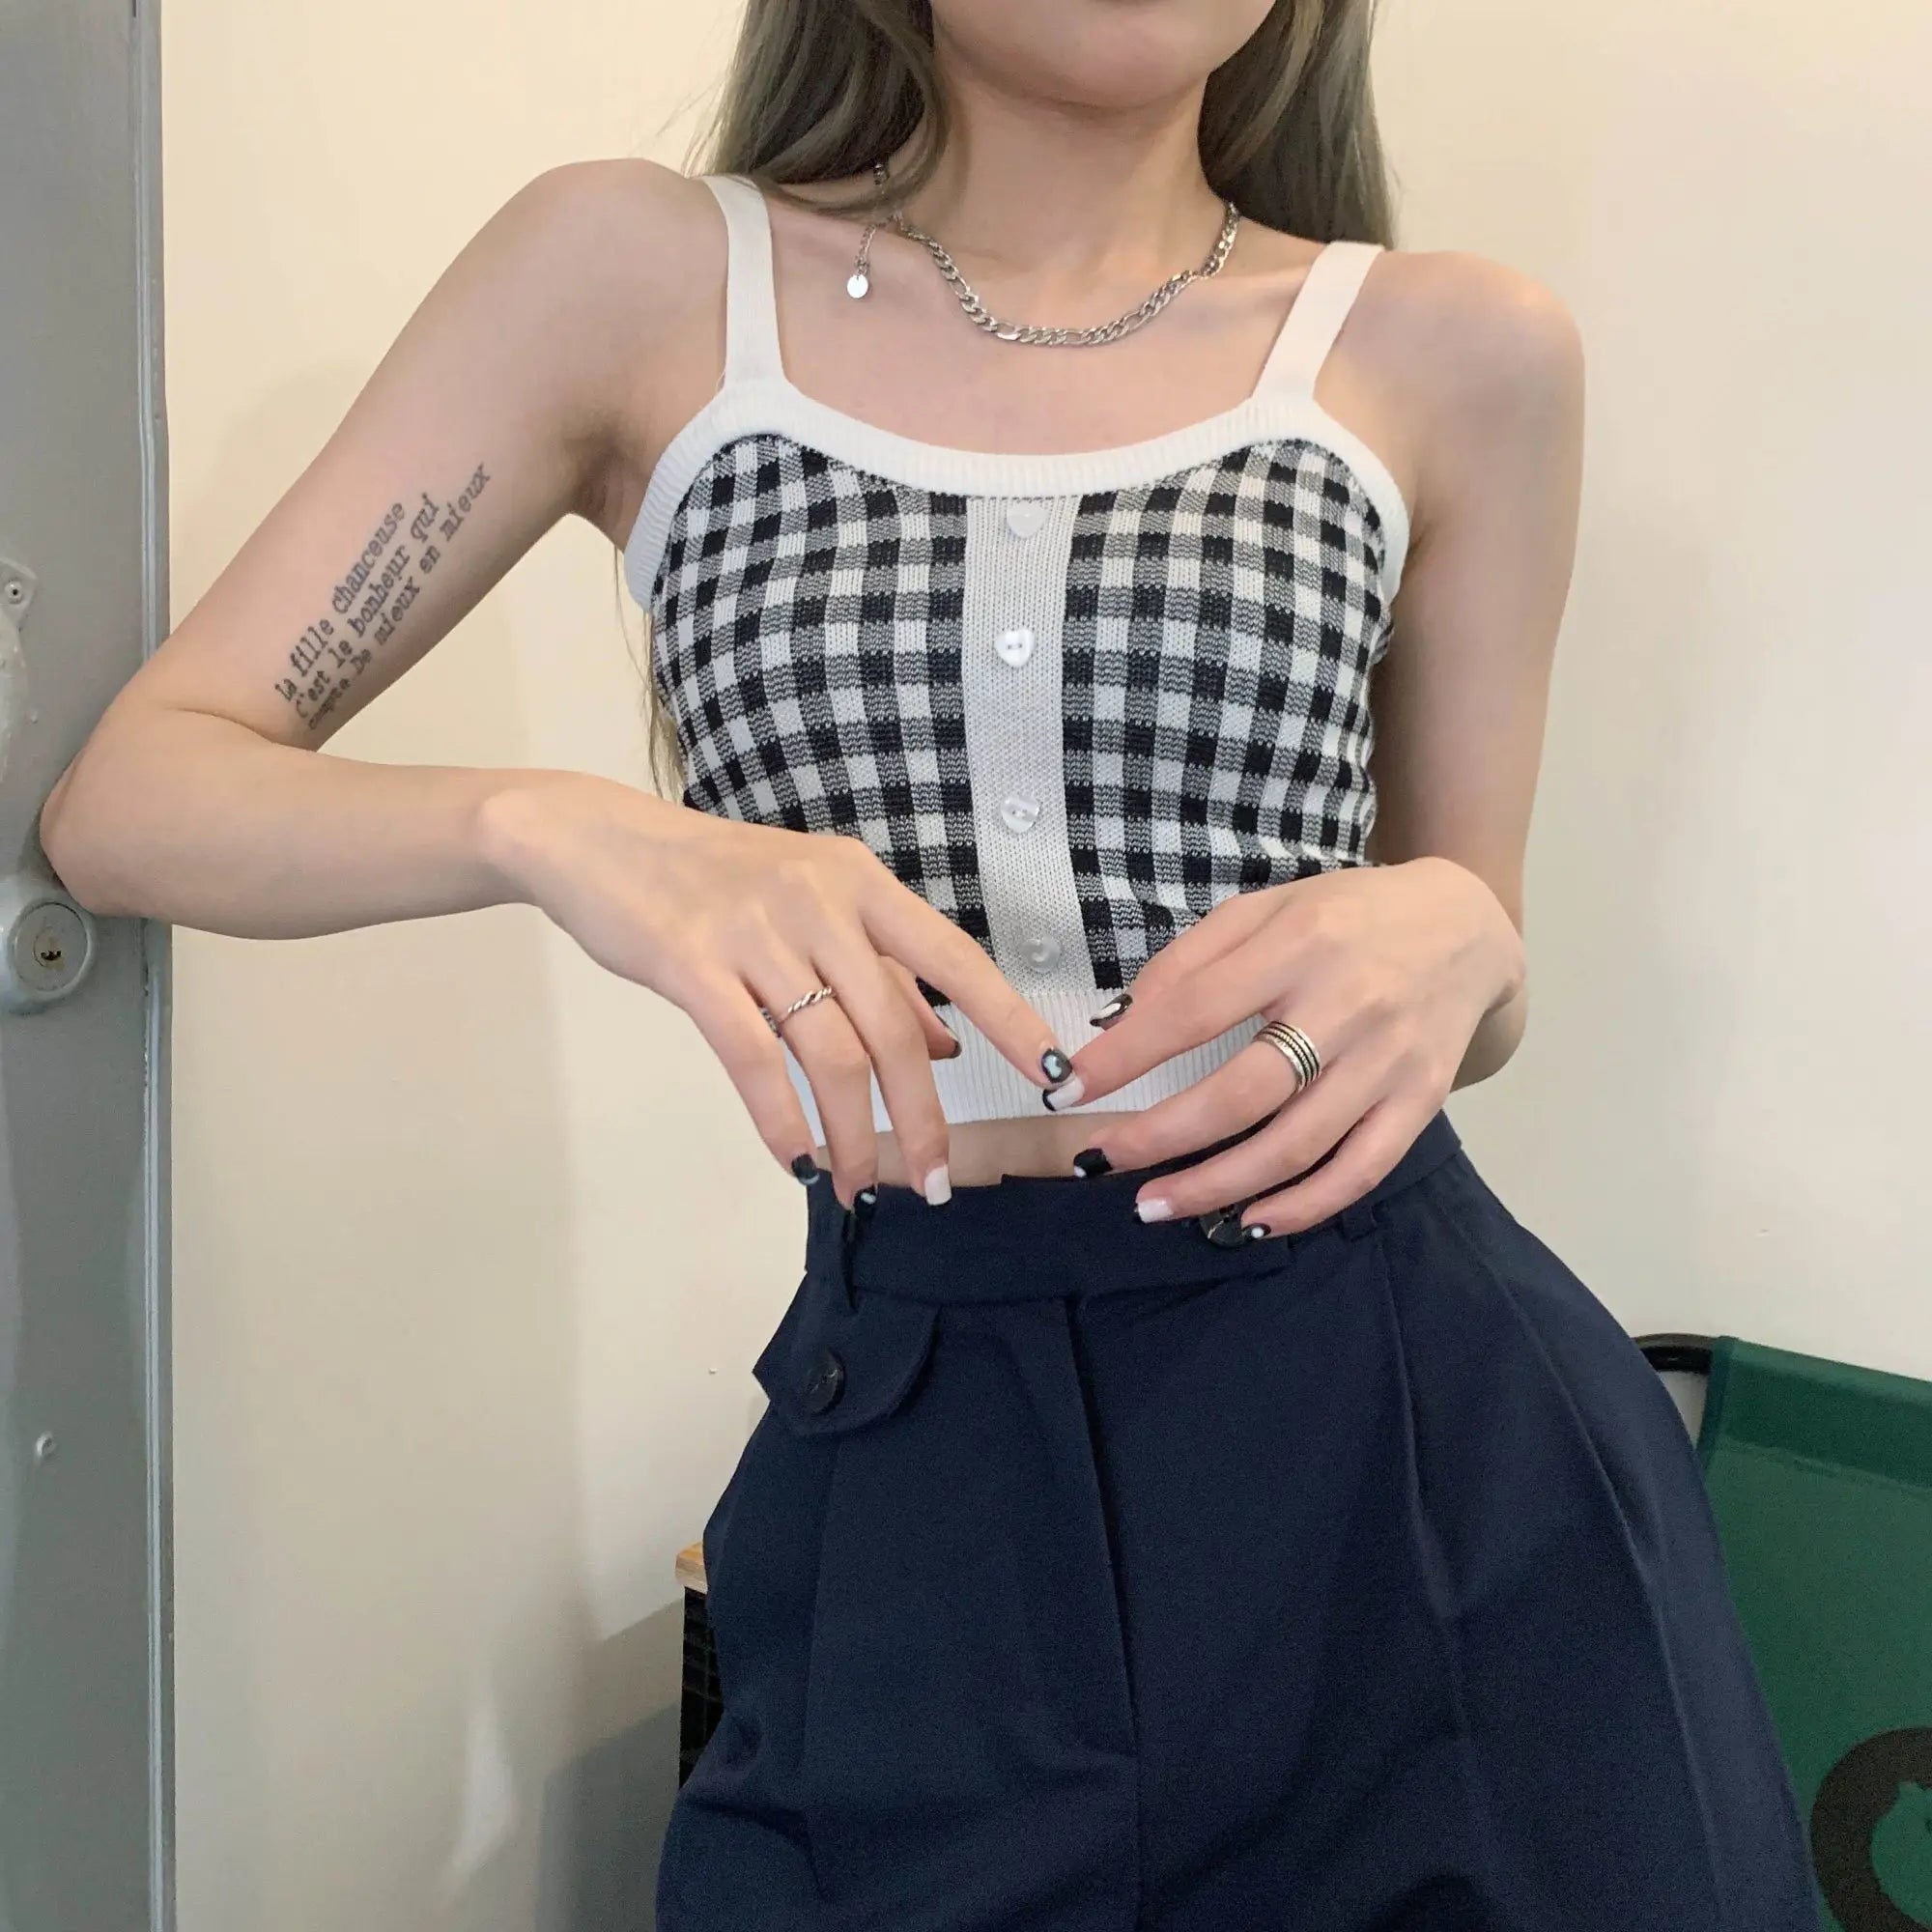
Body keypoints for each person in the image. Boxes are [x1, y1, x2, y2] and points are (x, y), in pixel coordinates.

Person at [40, 0, 1826, 1925]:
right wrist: (566, 831)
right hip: (920, 1422)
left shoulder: (1458, 347)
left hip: (1413, 1432)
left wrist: (1464, 933)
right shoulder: (637, 279)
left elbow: (1474, 985)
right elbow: (137, 795)